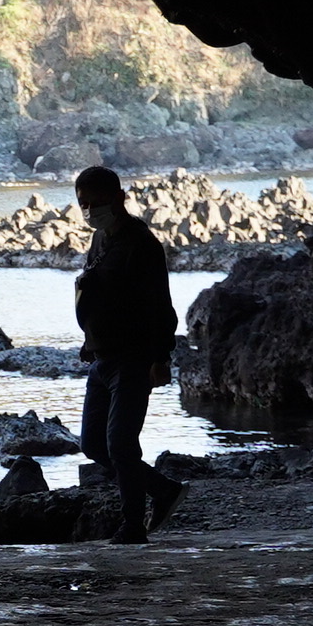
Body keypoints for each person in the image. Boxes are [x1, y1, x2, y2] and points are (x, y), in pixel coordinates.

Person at [69, 164, 184, 540]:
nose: (90, 210)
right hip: (102, 359)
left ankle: (133, 524)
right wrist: (90, 339)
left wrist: (161, 358)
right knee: (93, 444)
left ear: (120, 198)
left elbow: (160, 306)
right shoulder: (99, 240)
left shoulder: (142, 245)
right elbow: (99, 293)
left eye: (97, 202)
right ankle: (163, 490)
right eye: (84, 203)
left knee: (120, 443)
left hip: (134, 359)